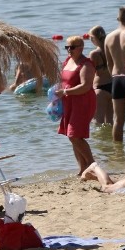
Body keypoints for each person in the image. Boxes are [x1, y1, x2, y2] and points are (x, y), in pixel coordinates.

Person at [55, 36, 96, 175]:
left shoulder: (86, 64)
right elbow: (63, 80)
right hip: (68, 101)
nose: (68, 50)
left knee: (75, 135)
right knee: (71, 135)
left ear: (81, 47)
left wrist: (65, 91)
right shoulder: (67, 61)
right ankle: (83, 168)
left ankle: (92, 166)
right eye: (67, 47)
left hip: (83, 102)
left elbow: (85, 86)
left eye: (72, 47)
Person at [104, 7, 125, 143]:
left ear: (118, 18)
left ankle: (118, 153)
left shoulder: (108, 37)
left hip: (116, 79)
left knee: (117, 120)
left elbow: (109, 63)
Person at [89, 25, 112, 126]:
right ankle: (111, 141)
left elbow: (92, 73)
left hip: (100, 88)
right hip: (113, 86)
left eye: (90, 37)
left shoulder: (94, 54)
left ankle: (99, 141)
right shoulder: (111, 49)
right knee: (110, 122)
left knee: (98, 121)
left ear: (94, 38)